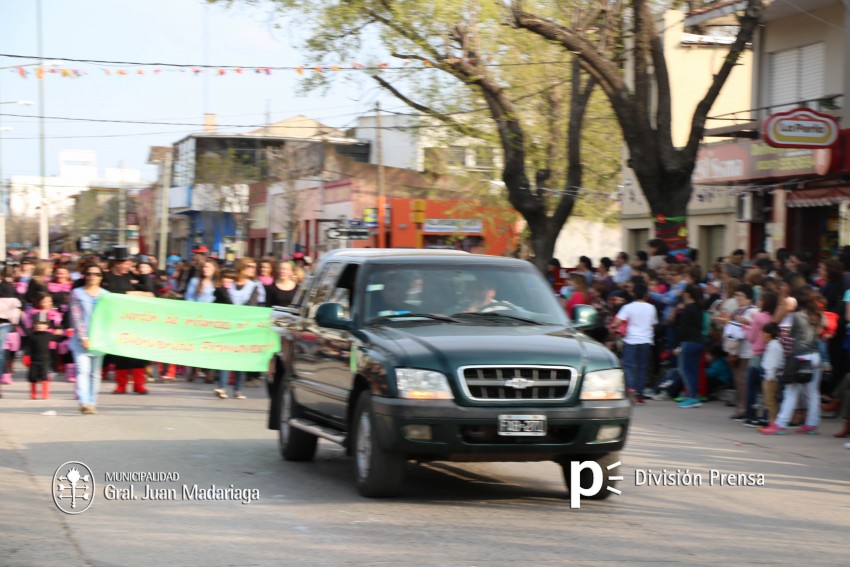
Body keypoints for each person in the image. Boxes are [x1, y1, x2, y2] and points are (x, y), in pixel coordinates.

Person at [761, 292, 824, 435]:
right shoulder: (817, 316)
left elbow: (786, 334)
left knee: (791, 392)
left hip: (799, 358)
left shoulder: (795, 317)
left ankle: (780, 424)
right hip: (815, 356)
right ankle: (812, 424)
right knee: (813, 393)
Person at [214, 258, 265, 400]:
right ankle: (222, 387)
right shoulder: (229, 284)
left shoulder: (254, 286)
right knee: (226, 354)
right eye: (249, 266)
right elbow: (220, 300)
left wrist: (239, 314)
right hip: (228, 325)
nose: (253, 269)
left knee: (240, 356)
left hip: (244, 325)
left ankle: (238, 389)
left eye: (254, 266)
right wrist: (222, 290)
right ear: (241, 267)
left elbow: (252, 304)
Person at [69, 266, 110, 414]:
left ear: (101, 277)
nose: (92, 276)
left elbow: (109, 318)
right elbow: (76, 316)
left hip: (99, 340)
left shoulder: (106, 295)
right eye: (89, 273)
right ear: (85, 276)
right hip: (81, 339)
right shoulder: (76, 293)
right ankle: (84, 401)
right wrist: (83, 337)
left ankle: (92, 402)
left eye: (96, 274)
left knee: (95, 373)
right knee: (82, 370)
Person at [611, 283, 657, 404]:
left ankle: (631, 388)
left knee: (629, 367)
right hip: (646, 341)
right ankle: (639, 395)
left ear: (633, 294)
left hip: (631, 340)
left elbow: (616, 322)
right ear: (646, 294)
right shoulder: (651, 308)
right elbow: (653, 324)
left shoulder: (628, 307)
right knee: (642, 368)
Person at [672, 285, 706, 408]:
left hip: (688, 342)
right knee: (693, 371)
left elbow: (683, 329)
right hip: (698, 341)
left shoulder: (688, 309)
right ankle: (693, 395)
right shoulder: (699, 309)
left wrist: (677, 346)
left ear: (688, 294)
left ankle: (691, 396)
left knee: (685, 370)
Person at [24, 311, 65, 400]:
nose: (39, 325)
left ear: (47, 325)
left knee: (44, 376)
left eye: (42, 323)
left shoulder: (48, 335)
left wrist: (61, 333)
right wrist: (26, 356)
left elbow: (57, 339)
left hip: (45, 360)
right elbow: (27, 347)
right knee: (32, 376)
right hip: (34, 360)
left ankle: (45, 393)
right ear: (34, 324)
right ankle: (33, 394)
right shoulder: (31, 336)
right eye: (37, 323)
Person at [0, 274, 22, 395]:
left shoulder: (9, 299)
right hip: (7, 325)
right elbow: (15, 318)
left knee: (1, 353)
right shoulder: (13, 301)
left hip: (4, 325)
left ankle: (4, 374)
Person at [759, 322, 783, 426]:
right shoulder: (773, 345)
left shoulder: (774, 346)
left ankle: (773, 422)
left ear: (768, 335)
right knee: (769, 401)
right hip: (769, 376)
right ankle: (771, 421)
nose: (762, 336)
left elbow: (773, 364)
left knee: (771, 401)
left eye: (763, 333)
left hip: (771, 378)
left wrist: (770, 377)